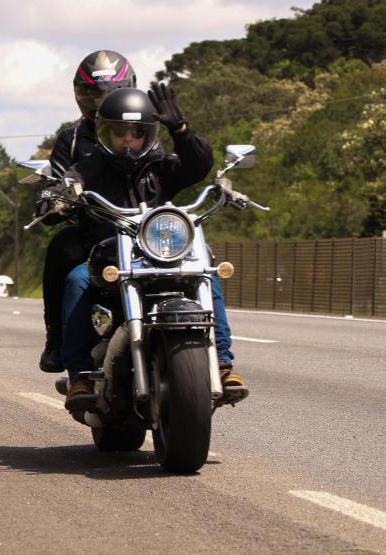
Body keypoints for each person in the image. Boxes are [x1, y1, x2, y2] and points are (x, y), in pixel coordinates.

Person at [44, 85, 247, 410]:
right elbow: (70, 180)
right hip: (111, 253)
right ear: (104, 134)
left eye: (136, 132)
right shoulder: (94, 165)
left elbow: (198, 166)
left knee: (205, 268)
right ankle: (80, 374)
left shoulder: (160, 165)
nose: (128, 139)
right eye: (119, 132)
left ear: (148, 134)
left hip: (160, 252)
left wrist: (181, 131)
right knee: (77, 279)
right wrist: (57, 195)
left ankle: (223, 365)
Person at [39, 50, 137, 373]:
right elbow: (56, 178)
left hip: (142, 233)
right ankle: (57, 339)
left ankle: (216, 355)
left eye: (109, 92)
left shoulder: (142, 130)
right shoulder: (72, 138)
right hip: (93, 232)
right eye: (92, 94)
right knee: (61, 249)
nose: (101, 101)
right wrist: (52, 200)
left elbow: (168, 171)